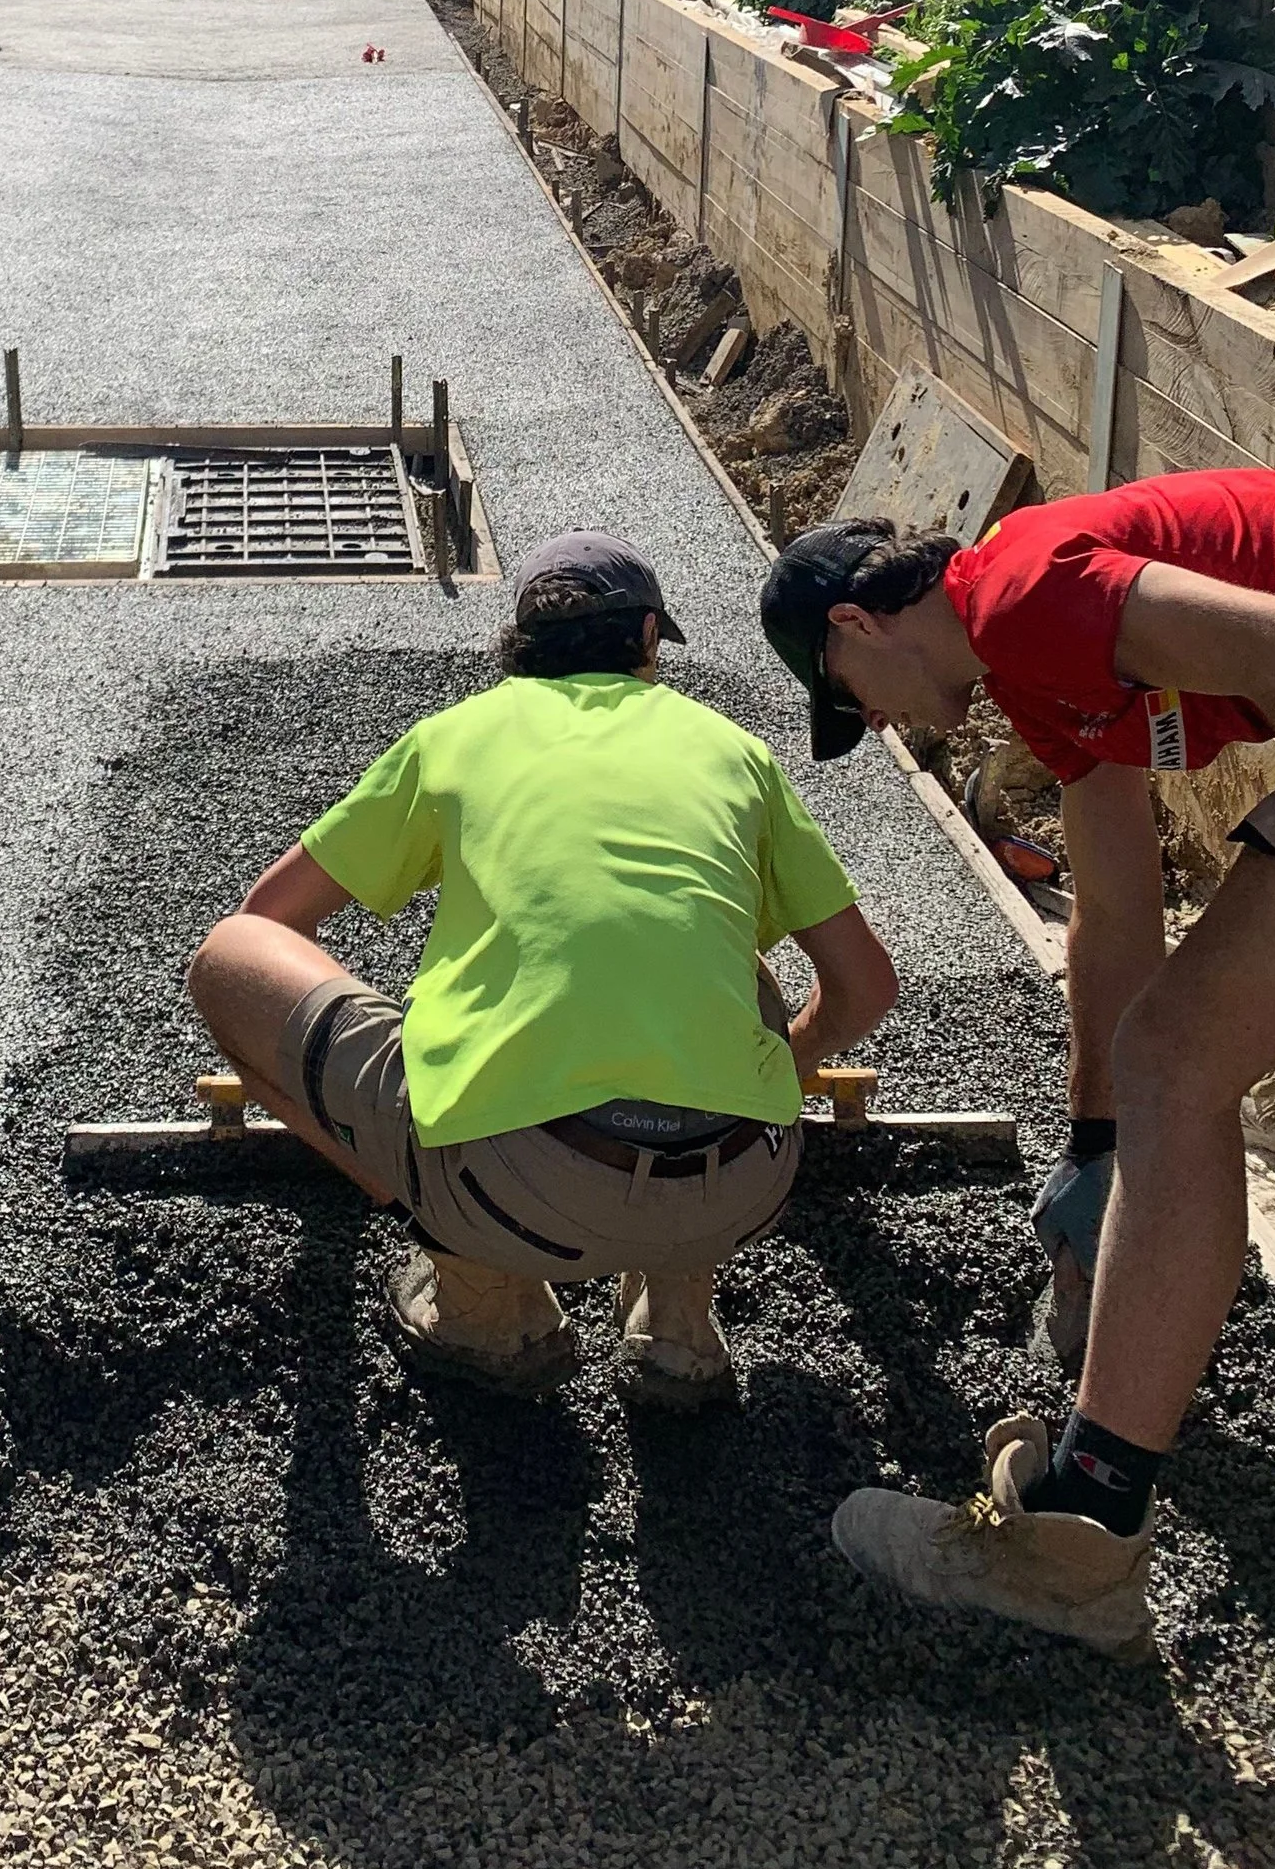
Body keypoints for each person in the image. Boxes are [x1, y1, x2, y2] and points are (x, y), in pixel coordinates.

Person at [757, 471, 1275, 1654]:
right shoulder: (1028, 676)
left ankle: (1078, 1544)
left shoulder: (1015, 593)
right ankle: (1097, 1490)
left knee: (1178, 1063)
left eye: (854, 703)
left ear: (857, 624)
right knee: (1165, 1060)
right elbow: (1112, 907)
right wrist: (1094, 1142)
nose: (884, 726)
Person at [188, 531, 898, 1404]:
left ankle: (486, 1302)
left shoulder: (455, 737)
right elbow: (867, 985)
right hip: (742, 1187)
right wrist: (783, 1060)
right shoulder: (733, 750)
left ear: (519, 645)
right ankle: (677, 1325)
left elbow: (267, 918)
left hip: (510, 1197)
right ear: (647, 638)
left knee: (226, 958)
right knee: (720, 953)